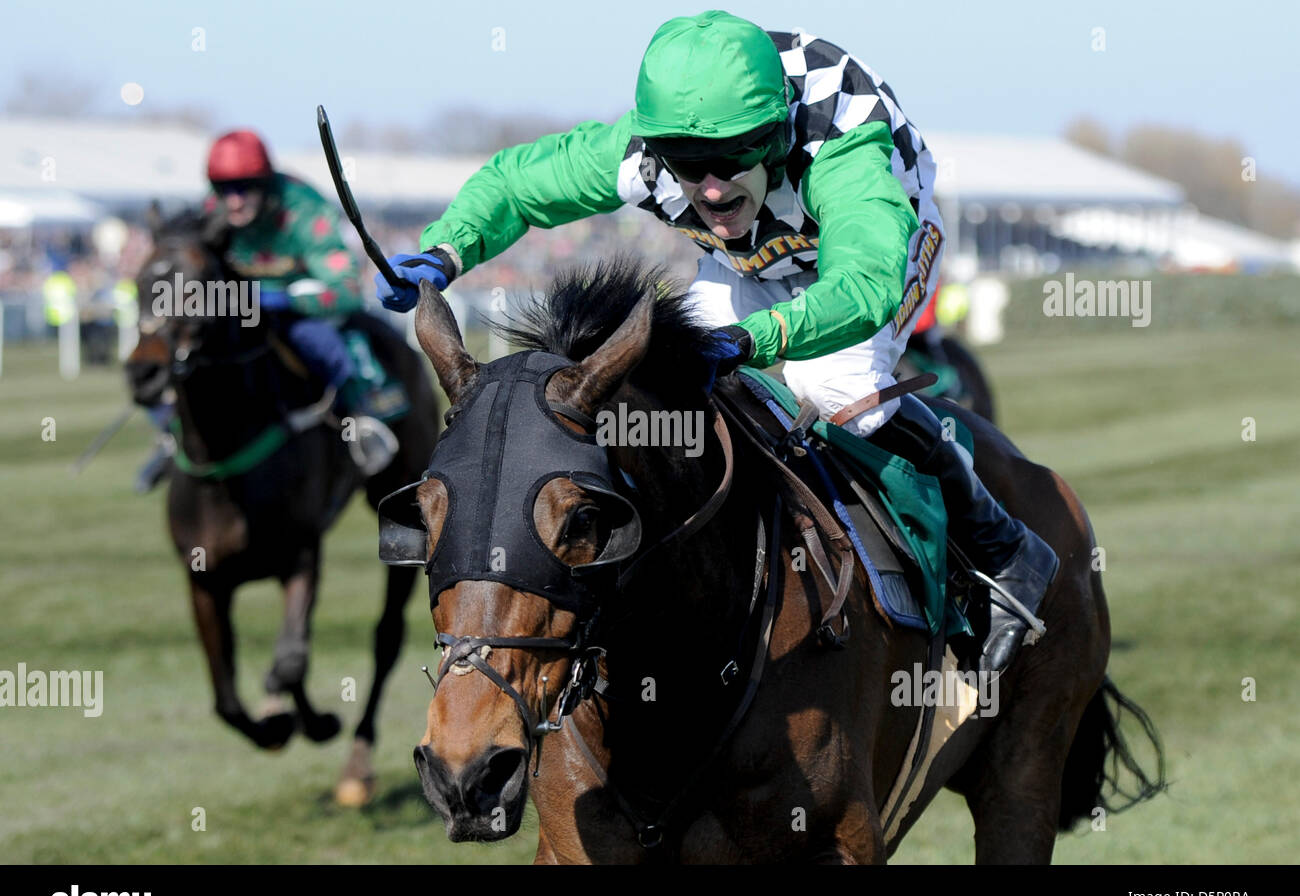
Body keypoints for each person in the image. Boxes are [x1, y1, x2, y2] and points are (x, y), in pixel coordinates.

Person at [374, 11, 1057, 674]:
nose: (707, 184)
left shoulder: (841, 149)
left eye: (732, 157)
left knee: (833, 386)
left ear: (776, 132)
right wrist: (444, 250)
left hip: (878, 245)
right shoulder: (642, 152)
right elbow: (519, 184)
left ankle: (1004, 548)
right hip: (751, 262)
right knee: (669, 391)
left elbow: (865, 285)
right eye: (685, 161)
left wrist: (752, 339)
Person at [137, 129, 397, 489]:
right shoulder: (211, 211)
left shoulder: (304, 210)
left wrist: (287, 298)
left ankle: (359, 421)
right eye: (225, 189)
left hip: (296, 311)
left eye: (245, 188)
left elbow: (348, 290)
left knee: (324, 345)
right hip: (238, 312)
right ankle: (171, 435)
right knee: (166, 353)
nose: (235, 201)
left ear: (265, 182)